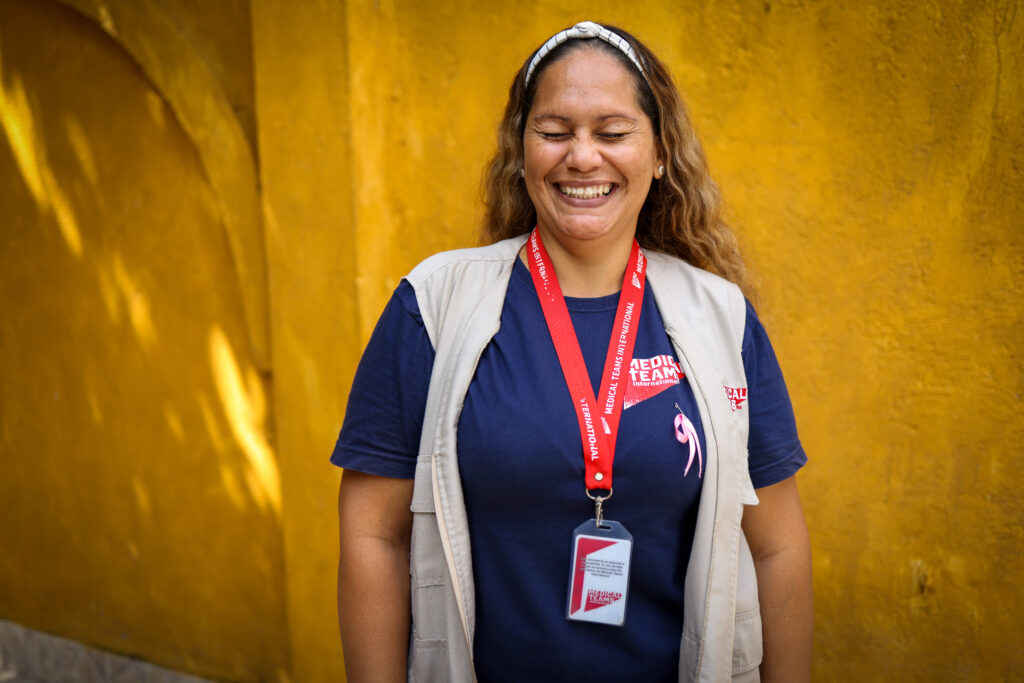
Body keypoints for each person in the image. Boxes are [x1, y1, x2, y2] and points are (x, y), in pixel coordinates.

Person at [334, 21, 812, 683]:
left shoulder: (719, 318)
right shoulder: (434, 305)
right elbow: (373, 536)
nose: (582, 157)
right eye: (554, 131)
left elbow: (778, 548)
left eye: (612, 132)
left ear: (660, 153)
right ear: (521, 151)